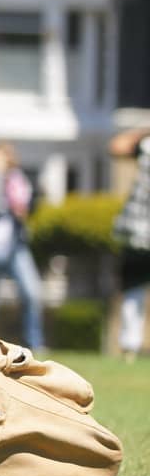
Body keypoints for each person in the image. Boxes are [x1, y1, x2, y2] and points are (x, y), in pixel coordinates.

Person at [0, 142, 44, 351]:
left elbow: (27, 207)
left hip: (14, 243)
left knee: (31, 292)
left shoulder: (18, 180)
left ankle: (34, 342)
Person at [113, 135, 150, 362]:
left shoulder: (146, 145)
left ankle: (130, 348)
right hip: (138, 232)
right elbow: (117, 146)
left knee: (133, 290)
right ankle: (129, 347)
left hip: (136, 231)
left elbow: (118, 145)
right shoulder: (146, 145)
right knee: (133, 289)